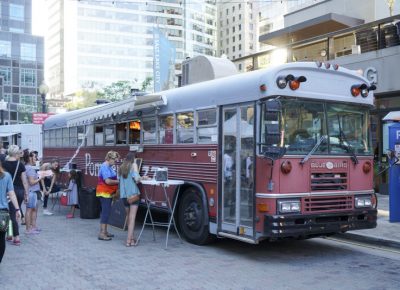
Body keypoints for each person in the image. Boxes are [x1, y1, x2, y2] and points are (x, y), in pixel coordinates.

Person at [2, 145, 29, 246]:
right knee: (13, 212)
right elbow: (25, 181)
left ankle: (16, 237)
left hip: (8, 192)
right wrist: (26, 193)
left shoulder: (3, 164)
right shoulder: (20, 165)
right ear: (17, 154)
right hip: (20, 191)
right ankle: (9, 234)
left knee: (11, 214)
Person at [118, 152, 142, 247]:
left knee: (128, 217)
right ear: (133, 158)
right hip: (133, 195)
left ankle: (131, 239)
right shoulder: (134, 165)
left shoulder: (121, 167)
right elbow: (136, 179)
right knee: (132, 218)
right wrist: (141, 177)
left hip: (124, 196)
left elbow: (119, 180)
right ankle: (128, 240)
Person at [0, 161, 21, 263]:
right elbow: (11, 194)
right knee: (1, 240)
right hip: (3, 213)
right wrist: (17, 209)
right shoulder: (6, 176)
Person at [96, 151, 119, 241]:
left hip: (108, 192)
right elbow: (108, 181)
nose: (116, 162)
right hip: (104, 192)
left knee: (107, 212)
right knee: (106, 212)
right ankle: (102, 233)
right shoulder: (105, 166)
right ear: (110, 158)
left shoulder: (108, 166)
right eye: (115, 160)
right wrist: (119, 181)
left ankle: (105, 231)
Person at [25, 151, 45, 235]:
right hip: (31, 191)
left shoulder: (29, 167)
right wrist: (40, 178)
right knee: (30, 210)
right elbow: (31, 182)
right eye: (34, 157)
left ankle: (33, 227)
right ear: (30, 158)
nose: (36, 158)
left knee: (34, 210)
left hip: (33, 192)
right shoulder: (29, 168)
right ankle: (28, 229)